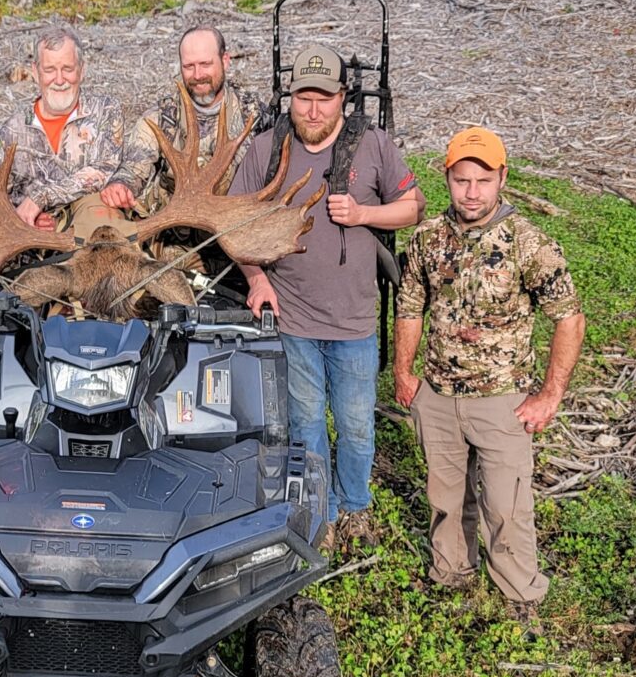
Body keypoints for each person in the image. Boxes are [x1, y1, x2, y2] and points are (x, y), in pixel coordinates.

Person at [229, 45, 425, 542]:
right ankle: (323, 512)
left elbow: (412, 207)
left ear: (343, 97)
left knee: (357, 425)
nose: (313, 110)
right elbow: (232, 226)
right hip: (292, 317)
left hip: (354, 320)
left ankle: (356, 503)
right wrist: (256, 278)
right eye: (303, 98)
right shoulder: (266, 148)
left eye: (324, 98)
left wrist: (364, 215)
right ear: (289, 98)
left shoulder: (373, 145)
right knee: (306, 423)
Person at [393, 127, 584, 628]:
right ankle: (452, 575)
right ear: (448, 179)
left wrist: (549, 395)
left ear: (501, 177)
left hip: (502, 400)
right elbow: (410, 304)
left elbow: (569, 316)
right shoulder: (427, 238)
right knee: (445, 498)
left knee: (508, 506)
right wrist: (404, 372)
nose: (471, 191)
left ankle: (519, 597)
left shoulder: (529, 243)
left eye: (482, 180)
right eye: (461, 180)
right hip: (437, 394)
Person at [102, 25, 269, 214]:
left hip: (235, 226)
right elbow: (134, 167)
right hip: (173, 230)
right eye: (189, 66)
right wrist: (121, 185)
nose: (198, 76)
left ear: (225, 61)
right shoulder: (161, 118)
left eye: (206, 64)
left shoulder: (255, 115)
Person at [0, 25, 124, 231]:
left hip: (90, 239)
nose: (59, 80)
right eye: (49, 70)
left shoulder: (105, 112)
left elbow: (102, 171)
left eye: (67, 69)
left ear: (82, 70)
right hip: (29, 245)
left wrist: (40, 200)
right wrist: (22, 219)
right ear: (35, 71)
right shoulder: (13, 130)